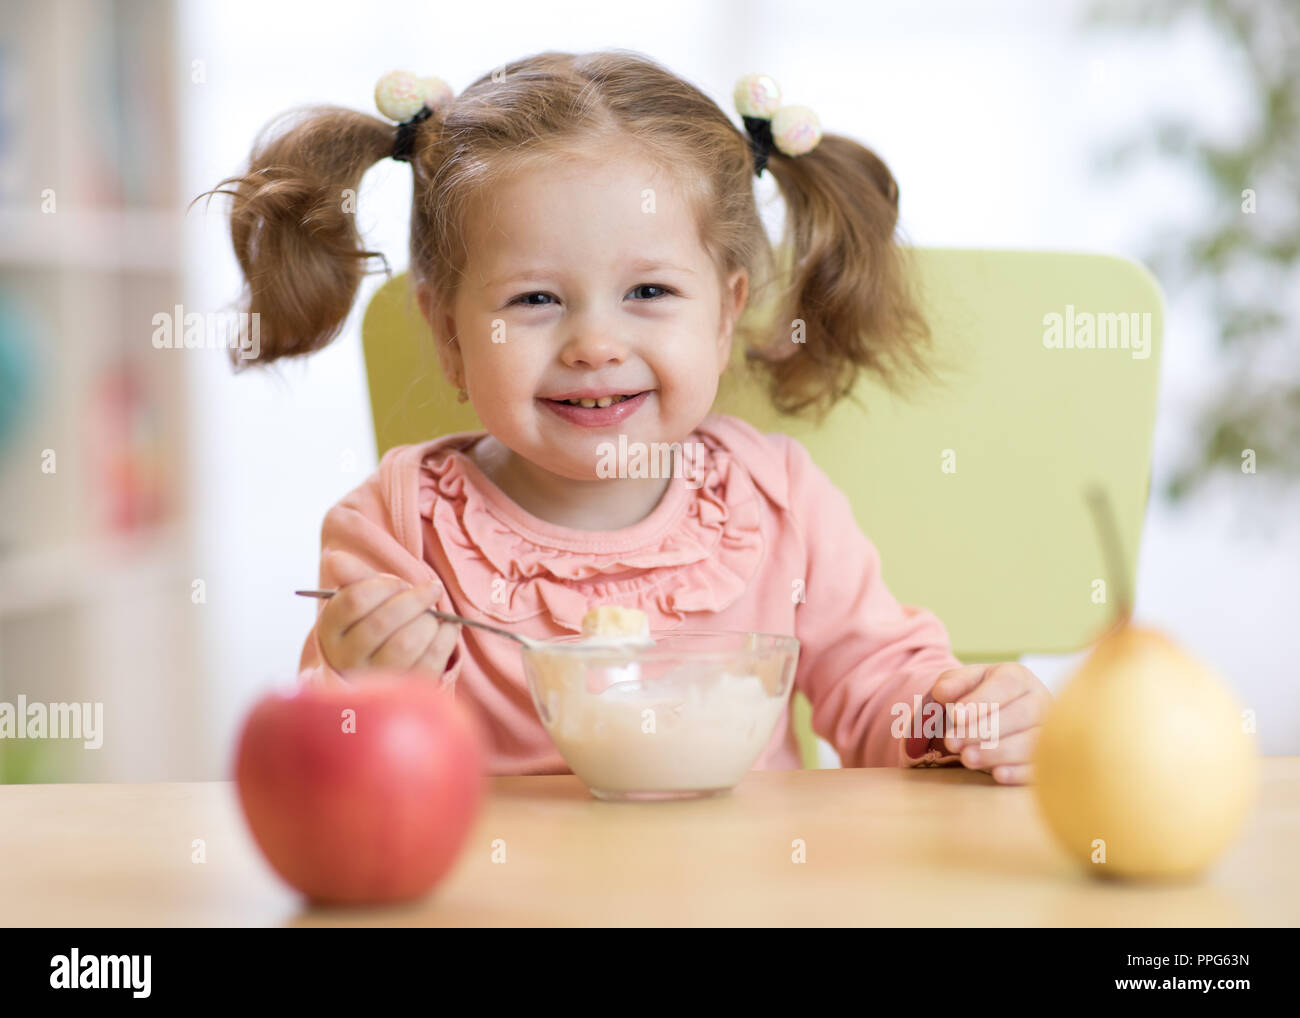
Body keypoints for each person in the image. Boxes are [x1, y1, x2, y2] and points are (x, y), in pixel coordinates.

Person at [201, 50, 1050, 783]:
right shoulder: (396, 527)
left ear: (724, 315)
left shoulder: (776, 499)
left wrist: (956, 720)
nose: (595, 344)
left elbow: (876, 689)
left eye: (648, 292)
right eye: (535, 299)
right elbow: (335, 774)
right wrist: (361, 687)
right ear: (448, 336)